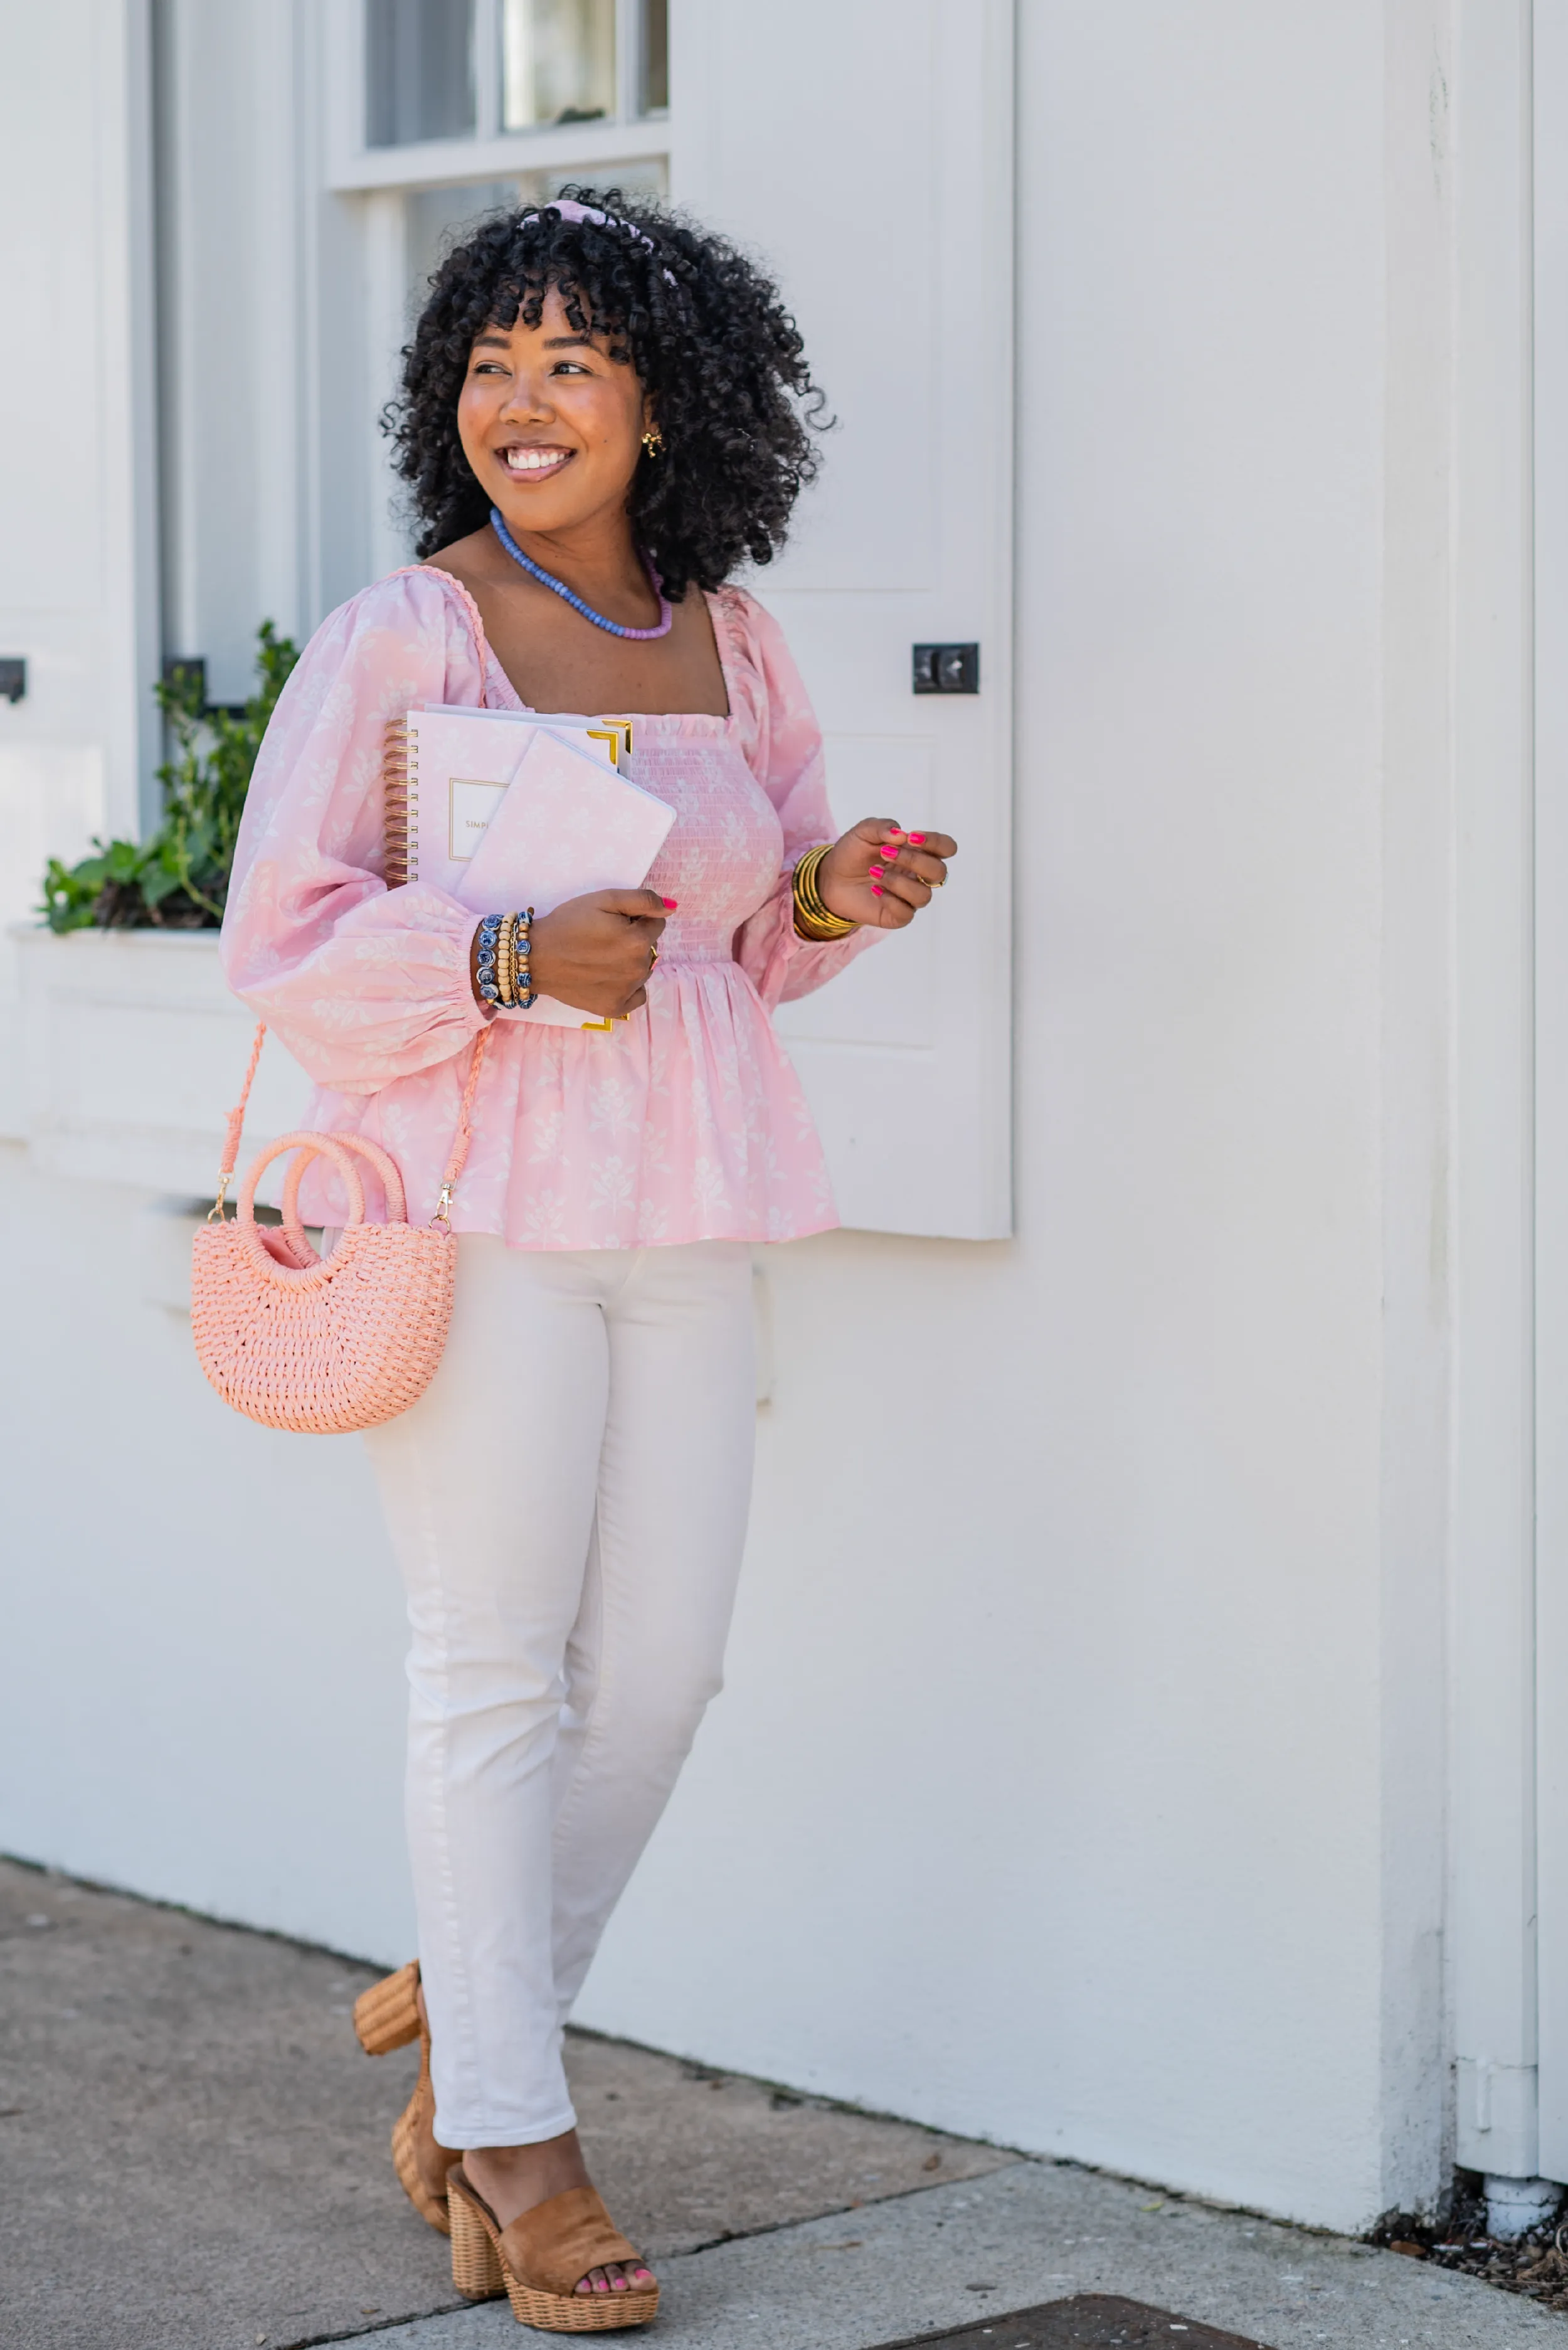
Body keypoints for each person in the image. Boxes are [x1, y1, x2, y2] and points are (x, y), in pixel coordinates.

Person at [221, 191, 955, 2332]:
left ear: (668, 400)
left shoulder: (734, 637)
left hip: (693, 1199)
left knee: (659, 1676)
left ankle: (475, 1996)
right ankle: (515, 2138)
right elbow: (282, 933)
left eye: (571, 364)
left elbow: (746, 936)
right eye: (489, 364)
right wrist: (508, 950)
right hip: (480, 1205)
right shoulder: (408, 631)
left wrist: (828, 896)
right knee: (491, 1666)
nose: (519, 404)